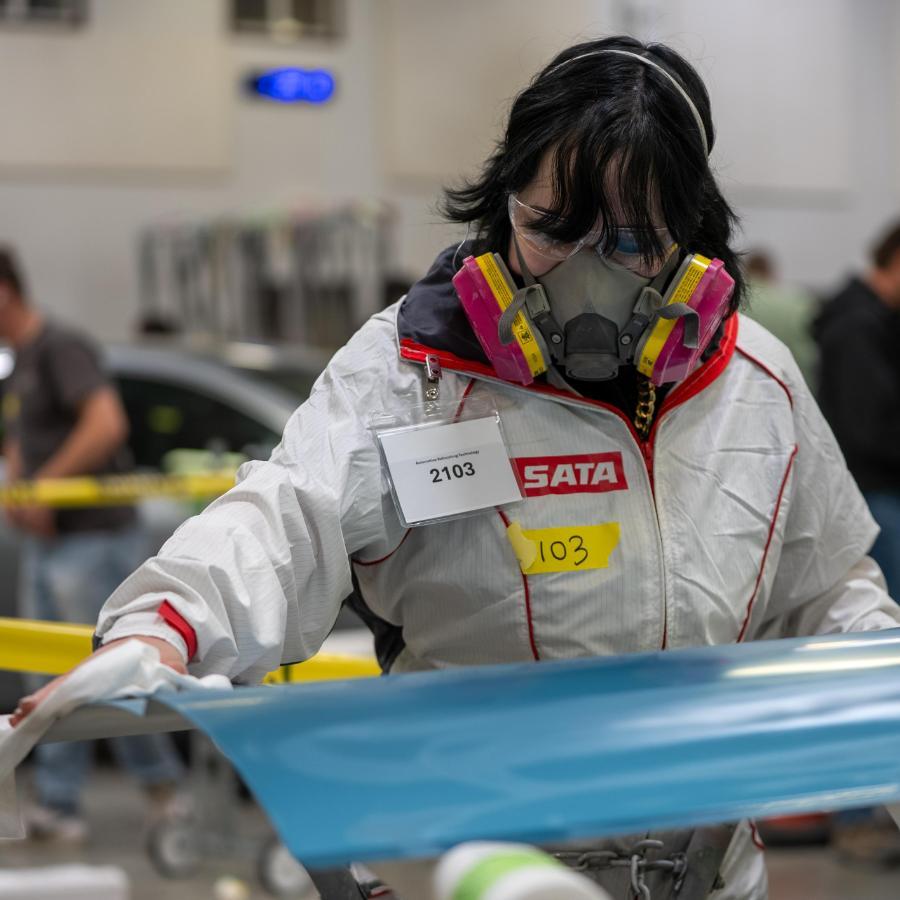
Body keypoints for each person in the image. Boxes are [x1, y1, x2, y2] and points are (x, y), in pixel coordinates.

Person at [12, 36, 900, 898]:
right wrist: (162, 628)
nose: (586, 278)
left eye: (631, 244)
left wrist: (884, 700)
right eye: (551, 231)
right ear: (502, 206)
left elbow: (826, 588)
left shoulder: (754, 383)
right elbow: (283, 520)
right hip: (468, 868)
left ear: (694, 242)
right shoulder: (411, 374)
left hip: (707, 873)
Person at [0, 246, 184, 842]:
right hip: (51, 542)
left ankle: (165, 793)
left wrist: (44, 489)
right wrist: (23, 492)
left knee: (110, 673)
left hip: (94, 540)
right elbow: (21, 439)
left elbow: (106, 423)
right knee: (53, 676)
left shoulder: (62, 348)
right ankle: (60, 803)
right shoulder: (22, 360)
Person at [814, 224, 900, 600]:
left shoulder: (876, 320)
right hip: (872, 490)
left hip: (876, 486)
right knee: (886, 609)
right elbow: (868, 425)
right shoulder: (857, 326)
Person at [742, 249, 819, 388]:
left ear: (745, 273)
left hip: (744, 383)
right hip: (786, 383)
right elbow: (807, 355)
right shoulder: (797, 302)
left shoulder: (732, 303)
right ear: (770, 272)